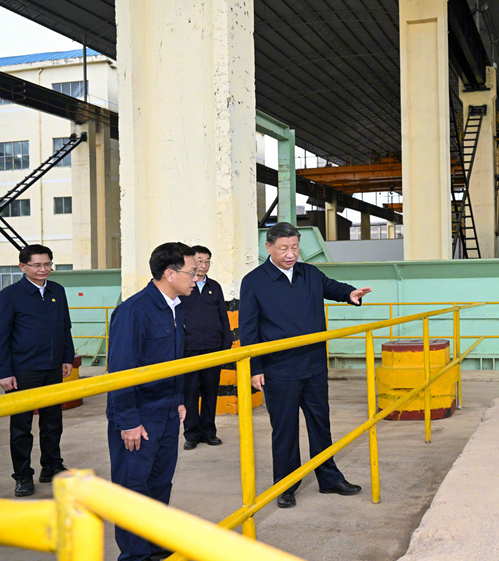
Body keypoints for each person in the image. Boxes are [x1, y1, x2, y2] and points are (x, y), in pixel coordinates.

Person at [240, 222, 372, 509]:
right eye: (284, 248)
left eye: (295, 248)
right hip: (279, 370)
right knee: (284, 429)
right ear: (269, 248)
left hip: (313, 366)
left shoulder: (309, 273)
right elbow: (249, 329)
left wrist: (350, 294)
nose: (291, 254)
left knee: (320, 424)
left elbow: (331, 287)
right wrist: (255, 368)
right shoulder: (254, 281)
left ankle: (329, 479)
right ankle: (286, 485)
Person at [107, 242, 198, 561]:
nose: (196, 275)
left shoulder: (176, 306)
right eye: (191, 270)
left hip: (168, 410)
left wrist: (180, 400)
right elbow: (119, 372)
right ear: (169, 273)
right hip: (139, 416)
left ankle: (155, 545)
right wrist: (128, 421)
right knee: (133, 487)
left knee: (159, 483)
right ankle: (134, 556)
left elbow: (174, 360)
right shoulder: (134, 311)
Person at [0, 245, 74, 497]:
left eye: (47, 264)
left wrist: (67, 358)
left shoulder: (58, 291)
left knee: (52, 422)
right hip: (23, 371)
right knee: (21, 427)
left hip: (53, 368)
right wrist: (4, 372)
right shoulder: (10, 295)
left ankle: (51, 466)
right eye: (37, 265)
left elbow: (65, 327)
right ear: (23, 267)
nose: (44, 270)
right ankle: (22, 476)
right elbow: (2, 336)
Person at [180, 245, 232, 450]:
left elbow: (223, 316)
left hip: (213, 348)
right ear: (192, 262)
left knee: (211, 392)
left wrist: (225, 343)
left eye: (207, 261)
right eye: (200, 260)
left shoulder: (215, 286)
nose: (204, 265)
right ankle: (191, 434)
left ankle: (209, 432)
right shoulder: (185, 286)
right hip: (189, 349)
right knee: (190, 393)